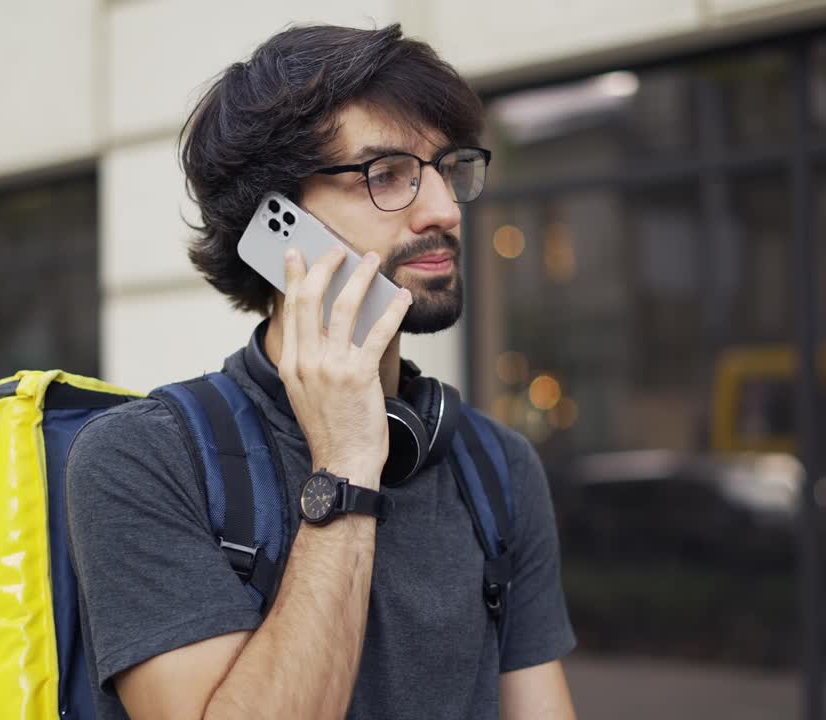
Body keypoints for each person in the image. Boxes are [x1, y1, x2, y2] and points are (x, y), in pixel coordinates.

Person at [65, 23, 577, 720]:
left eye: (448, 168)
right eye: (386, 174)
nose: (445, 209)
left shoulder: (497, 466)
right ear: (276, 224)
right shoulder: (144, 460)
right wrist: (343, 469)